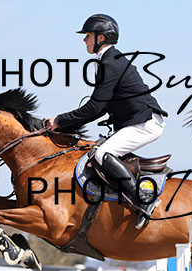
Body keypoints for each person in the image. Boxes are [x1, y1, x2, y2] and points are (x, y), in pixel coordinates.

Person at [46, 14, 168, 229]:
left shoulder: (110, 63)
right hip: (136, 121)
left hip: (145, 123)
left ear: (100, 38)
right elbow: (100, 108)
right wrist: (65, 124)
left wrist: (60, 120)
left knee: (102, 154)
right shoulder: (107, 60)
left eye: (88, 35)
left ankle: (143, 201)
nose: (84, 39)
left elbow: (95, 107)